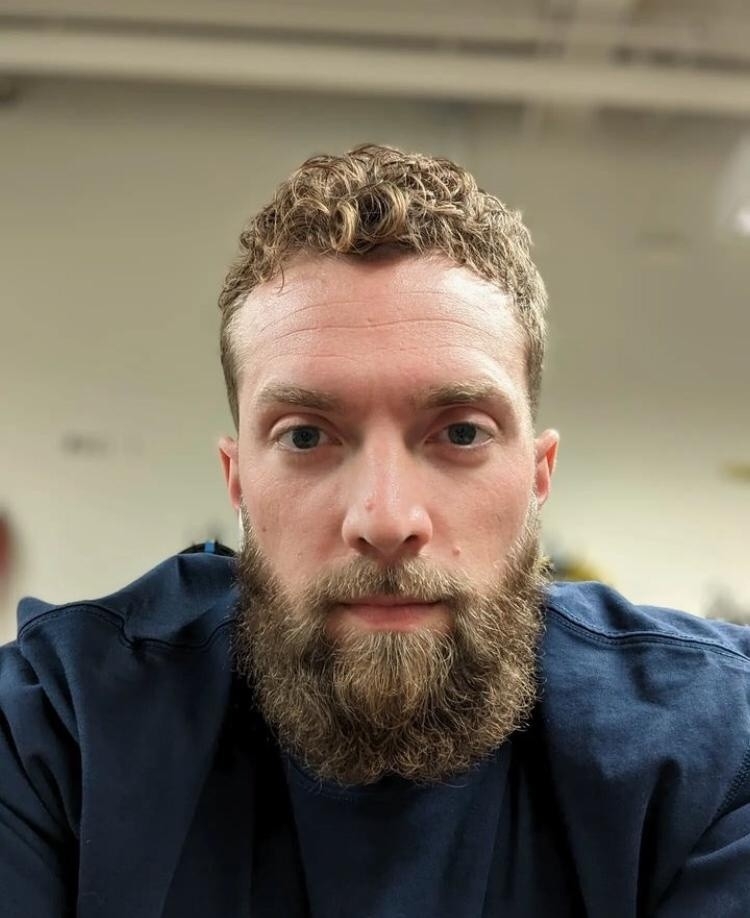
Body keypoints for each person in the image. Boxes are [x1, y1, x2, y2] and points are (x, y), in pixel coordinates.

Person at [1, 145, 748, 918]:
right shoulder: (58, 734)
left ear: (538, 474)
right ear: (237, 479)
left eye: (461, 433)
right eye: (305, 436)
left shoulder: (717, 742)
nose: (386, 520)